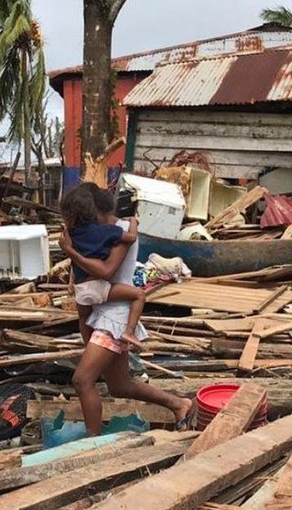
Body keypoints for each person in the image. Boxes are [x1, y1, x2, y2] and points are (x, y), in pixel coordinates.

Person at [60, 183, 194, 437]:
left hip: (116, 316)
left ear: (92, 211)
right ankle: (179, 404)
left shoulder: (120, 231)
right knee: (119, 386)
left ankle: (92, 442)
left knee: (82, 380)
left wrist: (70, 252)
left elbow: (107, 270)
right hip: (101, 313)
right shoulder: (97, 231)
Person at [58, 185, 145, 349]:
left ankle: (87, 347)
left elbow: (105, 270)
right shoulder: (109, 232)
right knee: (139, 295)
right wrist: (134, 221)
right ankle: (130, 332)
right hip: (104, 305)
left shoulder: (76, 232)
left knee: (84, 375)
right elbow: (105, 270)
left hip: (110, 315)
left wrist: (69, 251)